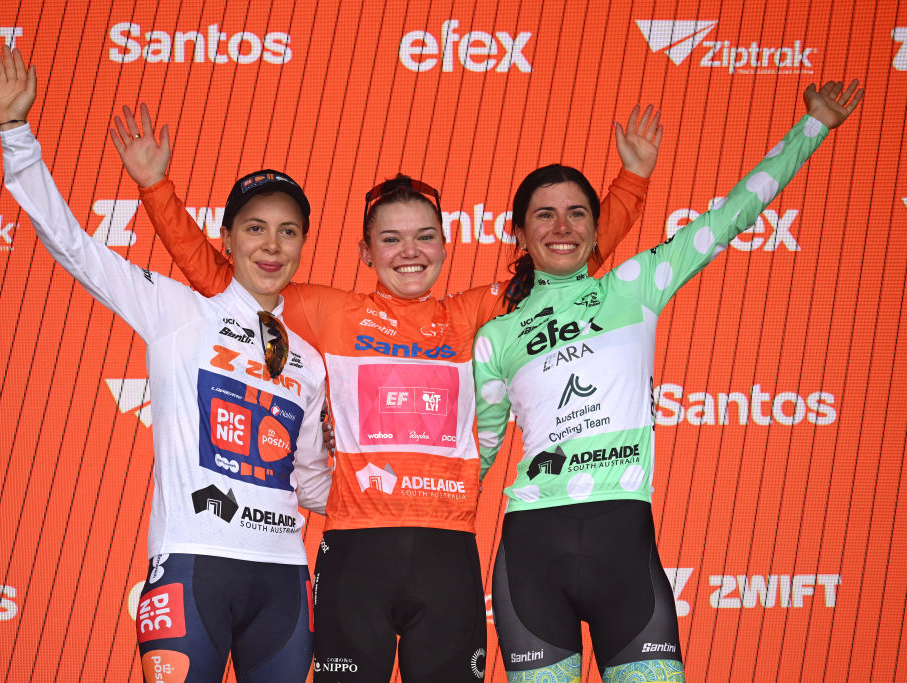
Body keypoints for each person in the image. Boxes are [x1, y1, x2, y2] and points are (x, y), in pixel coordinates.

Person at [112, 100, 662, 682]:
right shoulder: (327, 312)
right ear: (366, 252)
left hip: (449, 550)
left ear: (446, 246)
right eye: (391, 239)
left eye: (425, 237)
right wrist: (156, 188)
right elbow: (224, 280)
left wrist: (631, 182)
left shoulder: (475, 313)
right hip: (354, 554)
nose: (409, 253)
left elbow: (564, 265)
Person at [472, 80, 862, 683]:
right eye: (543, 215)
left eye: (578, 212)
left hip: (622, 542)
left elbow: (732, 215)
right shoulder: (496, 336)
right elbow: (479, 451)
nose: (562, 226)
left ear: (598, 229)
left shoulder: (637, 283)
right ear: (519, 234)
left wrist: (811, 127)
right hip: (530, 548)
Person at [0, 46, 332, 683]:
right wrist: (16, 134)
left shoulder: (308, 358)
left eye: (288, 231)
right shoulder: (177, 311)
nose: (272, 246)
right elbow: (73, 246)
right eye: (255, 229)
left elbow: (314, 484)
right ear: (226, 238)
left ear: (304, 243)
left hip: (285, 575)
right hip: (194, 566)